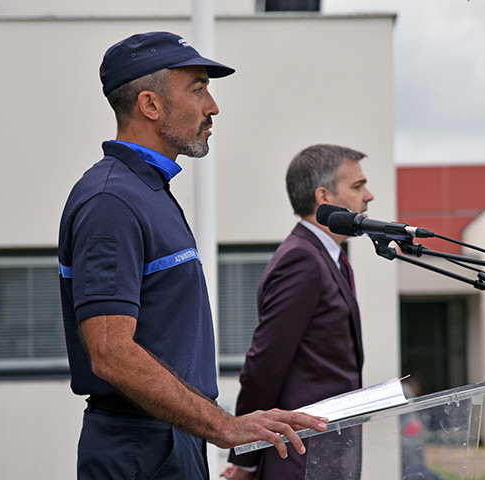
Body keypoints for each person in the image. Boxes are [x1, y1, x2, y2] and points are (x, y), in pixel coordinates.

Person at [57, 31, 328, 480]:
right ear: (150, 105)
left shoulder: (145, 191)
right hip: (140, 447)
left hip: (168, 439)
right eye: (198, 88)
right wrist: (223, 425)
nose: (212, 106)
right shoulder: (112, 201)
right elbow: (110, 352)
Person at [222, 144, 375, 479]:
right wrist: (246, 457)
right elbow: (264, 365)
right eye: (357, 186)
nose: (369, 196)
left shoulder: (329, 257)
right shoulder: (302, 260)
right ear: (324, 196)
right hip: (299, 460)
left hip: (328, 455)